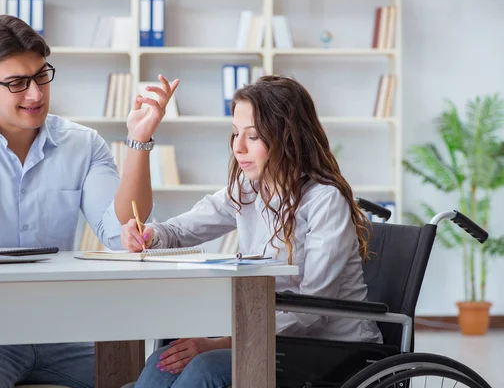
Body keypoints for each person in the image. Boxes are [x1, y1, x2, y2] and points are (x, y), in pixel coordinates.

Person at [0, 15, 178, 388]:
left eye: (41, 76)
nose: (35, 94)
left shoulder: (82, 145)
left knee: (143, 376)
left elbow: (119, 234)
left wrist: (139, 140)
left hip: (61, 328)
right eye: (17, 83)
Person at [121, 76, 383, 388]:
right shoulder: (247, 189)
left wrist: (223, 342)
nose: (238, 148)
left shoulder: (324, 200)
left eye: (254, 136)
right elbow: (179, 230)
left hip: (331, 348)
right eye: (235, 134)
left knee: (204, 367)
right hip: (269, 339)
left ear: (288, 137)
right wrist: (148, 235)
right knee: (162, 364)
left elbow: (314, 309)